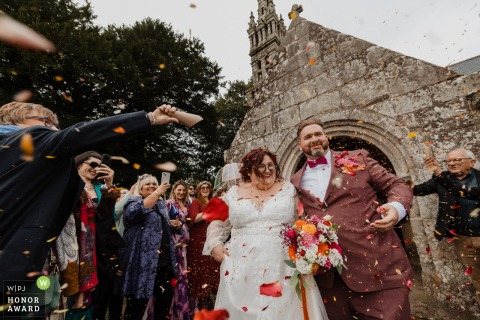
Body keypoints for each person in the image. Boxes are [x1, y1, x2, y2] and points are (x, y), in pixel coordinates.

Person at [0, 102, 179, 304]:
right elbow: (81, 134)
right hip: (13, 266)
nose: (54, 128)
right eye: (46, 122)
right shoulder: (31, 139)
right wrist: (149, 119)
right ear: (17, 121)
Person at [291, 118, 414, 320]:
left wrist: (395, 207)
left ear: (325, 137)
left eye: (318, 134)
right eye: (308, 136)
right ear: (299, 145)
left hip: (378, 268)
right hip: (329, 281)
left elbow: (397, 185)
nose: (314, 139)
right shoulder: (294, 181)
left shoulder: (359, 159)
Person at [204, 147, 328, 319]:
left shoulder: (288, 190)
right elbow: (216, 223)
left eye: (271, 165)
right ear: (248, 169)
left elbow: (302, 221)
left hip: (282, 265)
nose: (268, 169)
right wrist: (215, 244)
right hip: (242, 266)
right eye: (261, 166)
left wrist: (310, 246)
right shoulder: (232, 194)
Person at [413, 148, 480, 304]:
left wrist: (437, 172)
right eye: (449, 161)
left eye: (457, 160)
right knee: (477, 280)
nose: (451, 163)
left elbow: (462, 191)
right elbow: (417, 190)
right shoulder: (441, 179)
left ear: (472, 162)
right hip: (463, 240)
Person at [119, 174, 180, 320]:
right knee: (137, 303)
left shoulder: (160, 204)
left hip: (164, 261)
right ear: (140, 188)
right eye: (148, 184)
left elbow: (157, 228)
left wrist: (175, 226)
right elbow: (134, 215)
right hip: (143, 262)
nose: (152, 186)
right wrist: (157, 191)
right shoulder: (133, 202)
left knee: (163, 301)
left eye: (154, 183)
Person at [187, 181, 220, 312]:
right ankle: (203, 304)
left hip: (213, 239)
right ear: (199, 190)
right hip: (199, 240)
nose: (205, 189)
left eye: (208, 187)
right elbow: (193, 218)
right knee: (202, 269)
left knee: (213, 268)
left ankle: (214, 301)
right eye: (203, 188)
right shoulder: (196, 202)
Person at [166, 180, 191, 320]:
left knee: (184, 276)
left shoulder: (188, 204)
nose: (181, 192)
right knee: (176, 274)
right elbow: (164, 222)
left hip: (186, 244)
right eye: (179, 190)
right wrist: (173, 223)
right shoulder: (169, 203)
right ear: (174, 190)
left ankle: (182, 308)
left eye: (183, 190)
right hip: (175, 242)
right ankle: (171, 309)